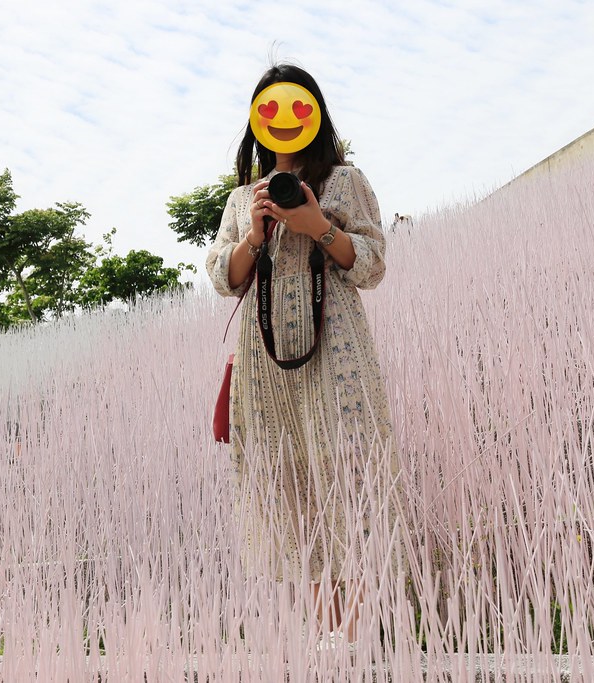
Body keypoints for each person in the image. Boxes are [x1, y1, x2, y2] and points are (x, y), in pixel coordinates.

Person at [206, 63, 398, 647]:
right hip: (266, 362)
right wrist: (253, 236)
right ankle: (325, 636)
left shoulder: (345, 181)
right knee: (291, 490)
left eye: (292, 106)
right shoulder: (244, 197)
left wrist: (317, 224)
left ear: (312, 111)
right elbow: (223, 278)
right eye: (268, 109)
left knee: (345, 478)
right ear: (254, 122)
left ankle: (357, 637)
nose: (282, 120)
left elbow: (371, 264)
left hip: (334, 349)